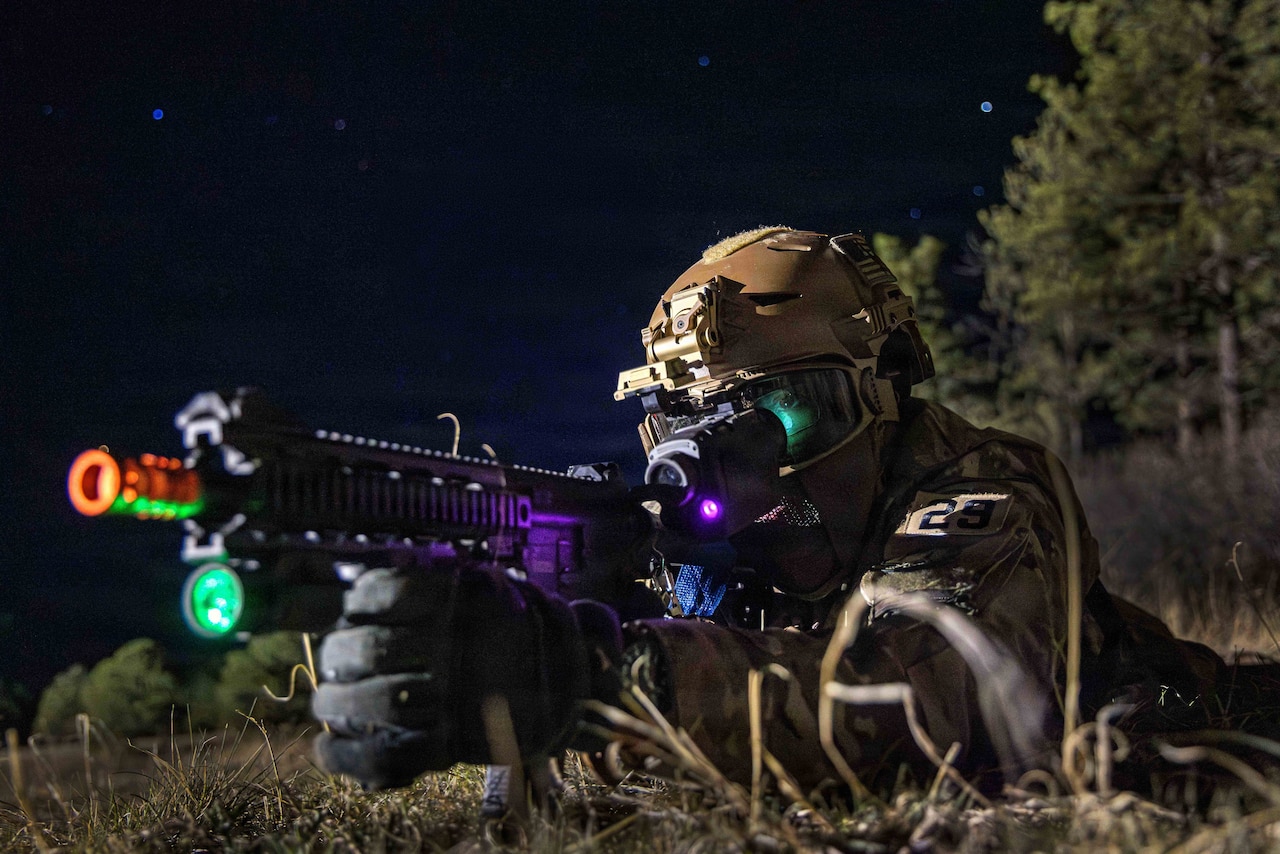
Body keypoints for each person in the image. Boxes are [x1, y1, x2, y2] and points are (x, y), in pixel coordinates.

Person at [310, 227, 1249, 798]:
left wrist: (605, 678)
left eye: (785, 410)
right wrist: (538, 650)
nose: (736, 457)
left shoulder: (982, 484)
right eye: (686, 420)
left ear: (883, 389)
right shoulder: (688, 537)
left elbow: (937, 697)